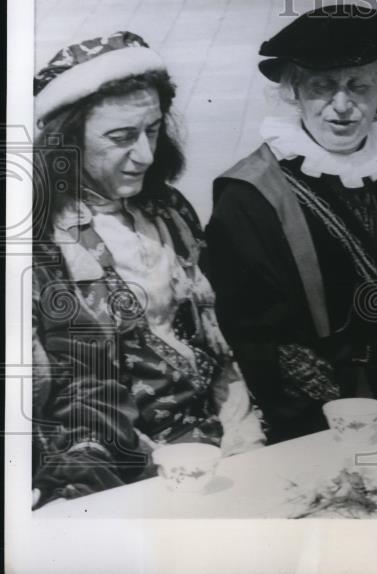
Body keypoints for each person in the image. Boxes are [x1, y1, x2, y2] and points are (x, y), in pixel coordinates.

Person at [205, 6, 377, 444]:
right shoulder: (248, 199)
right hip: (332, 416)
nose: (342, 106)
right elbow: (263, 341)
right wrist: (344, 422)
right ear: (294, 91)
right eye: (323, 87)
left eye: (360, 86)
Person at [31, 32, 264, 508]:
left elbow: (210, 343)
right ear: (67, 141)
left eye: (153, 130)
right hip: (118, 465)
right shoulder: (38, 241)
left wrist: (243, 435)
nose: (146, 155)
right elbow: (65, 392)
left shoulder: (168, 208)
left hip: (222, 438)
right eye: (121, 138)